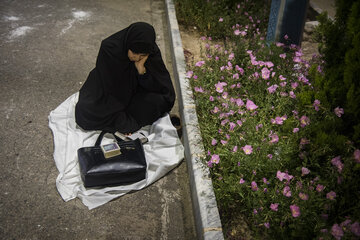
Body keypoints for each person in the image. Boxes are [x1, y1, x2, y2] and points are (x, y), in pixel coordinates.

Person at [75, 22, 175, 134]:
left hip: (136, 94)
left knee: (159, 101)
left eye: (142, 56)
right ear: (128, 44)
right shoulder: (110, 48)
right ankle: (125, 121)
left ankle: (122, 121)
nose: (136, 58)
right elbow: (107, 83)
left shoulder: (151, 51)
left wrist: (142, 72)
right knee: (84, 109)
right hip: (112, 93)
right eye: (134, 53)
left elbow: (159, 86)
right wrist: (120, 103)